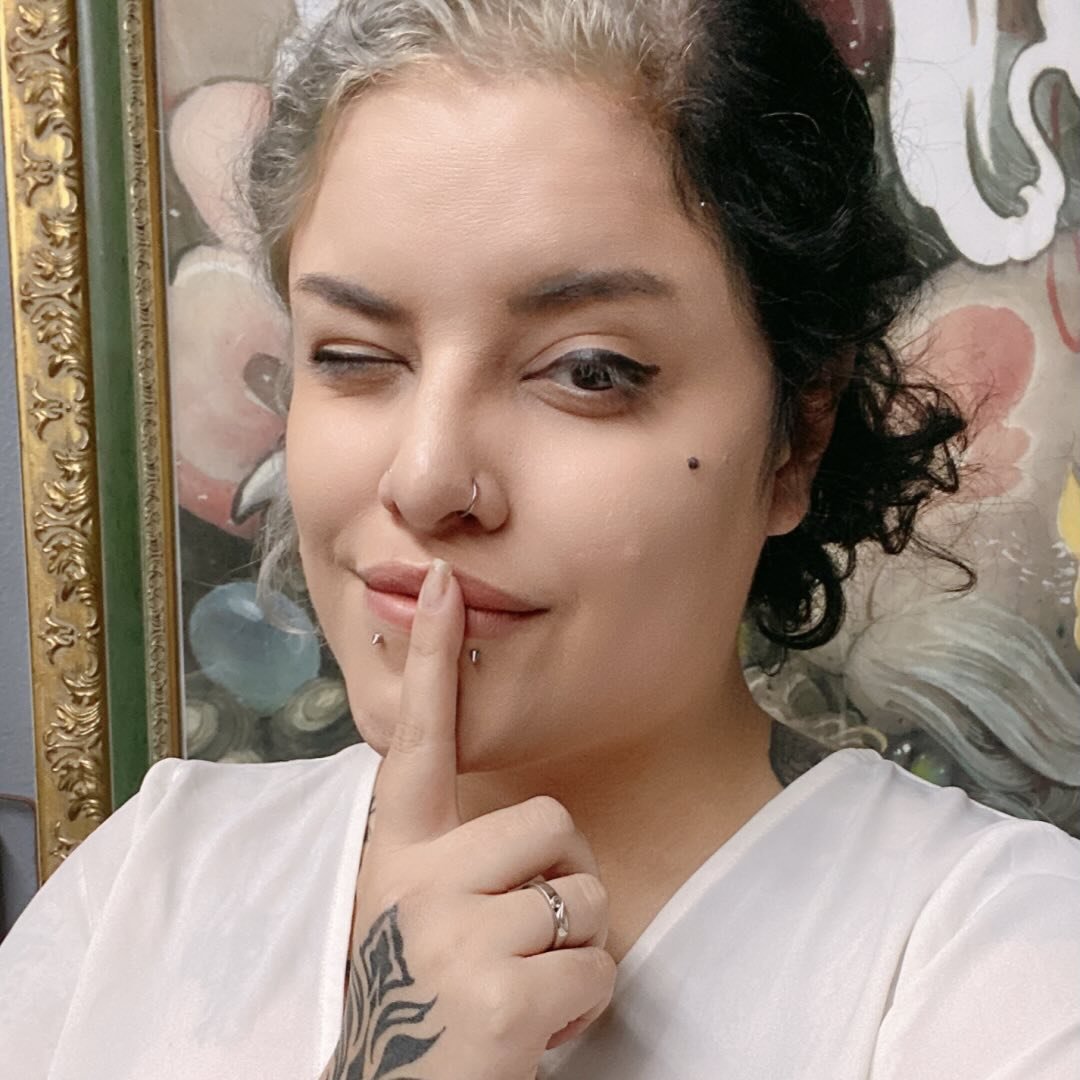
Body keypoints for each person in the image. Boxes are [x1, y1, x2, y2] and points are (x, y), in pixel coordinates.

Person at [2, 0, 1079, 1077]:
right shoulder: (148, 878)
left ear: (798, 433)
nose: (427, 479)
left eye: (588, 371)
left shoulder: (998, 971)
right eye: (352, 356)